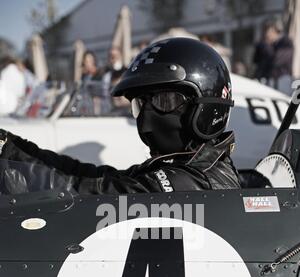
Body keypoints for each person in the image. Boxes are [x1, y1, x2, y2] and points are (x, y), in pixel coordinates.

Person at [0, 38, 241, 195]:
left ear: (206, 109)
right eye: (141, 103)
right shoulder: (187, 166)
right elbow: (91, 176)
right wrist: (11, 149)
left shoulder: (190, 185)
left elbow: (82, 192)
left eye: (163, 101)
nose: (147, 120)